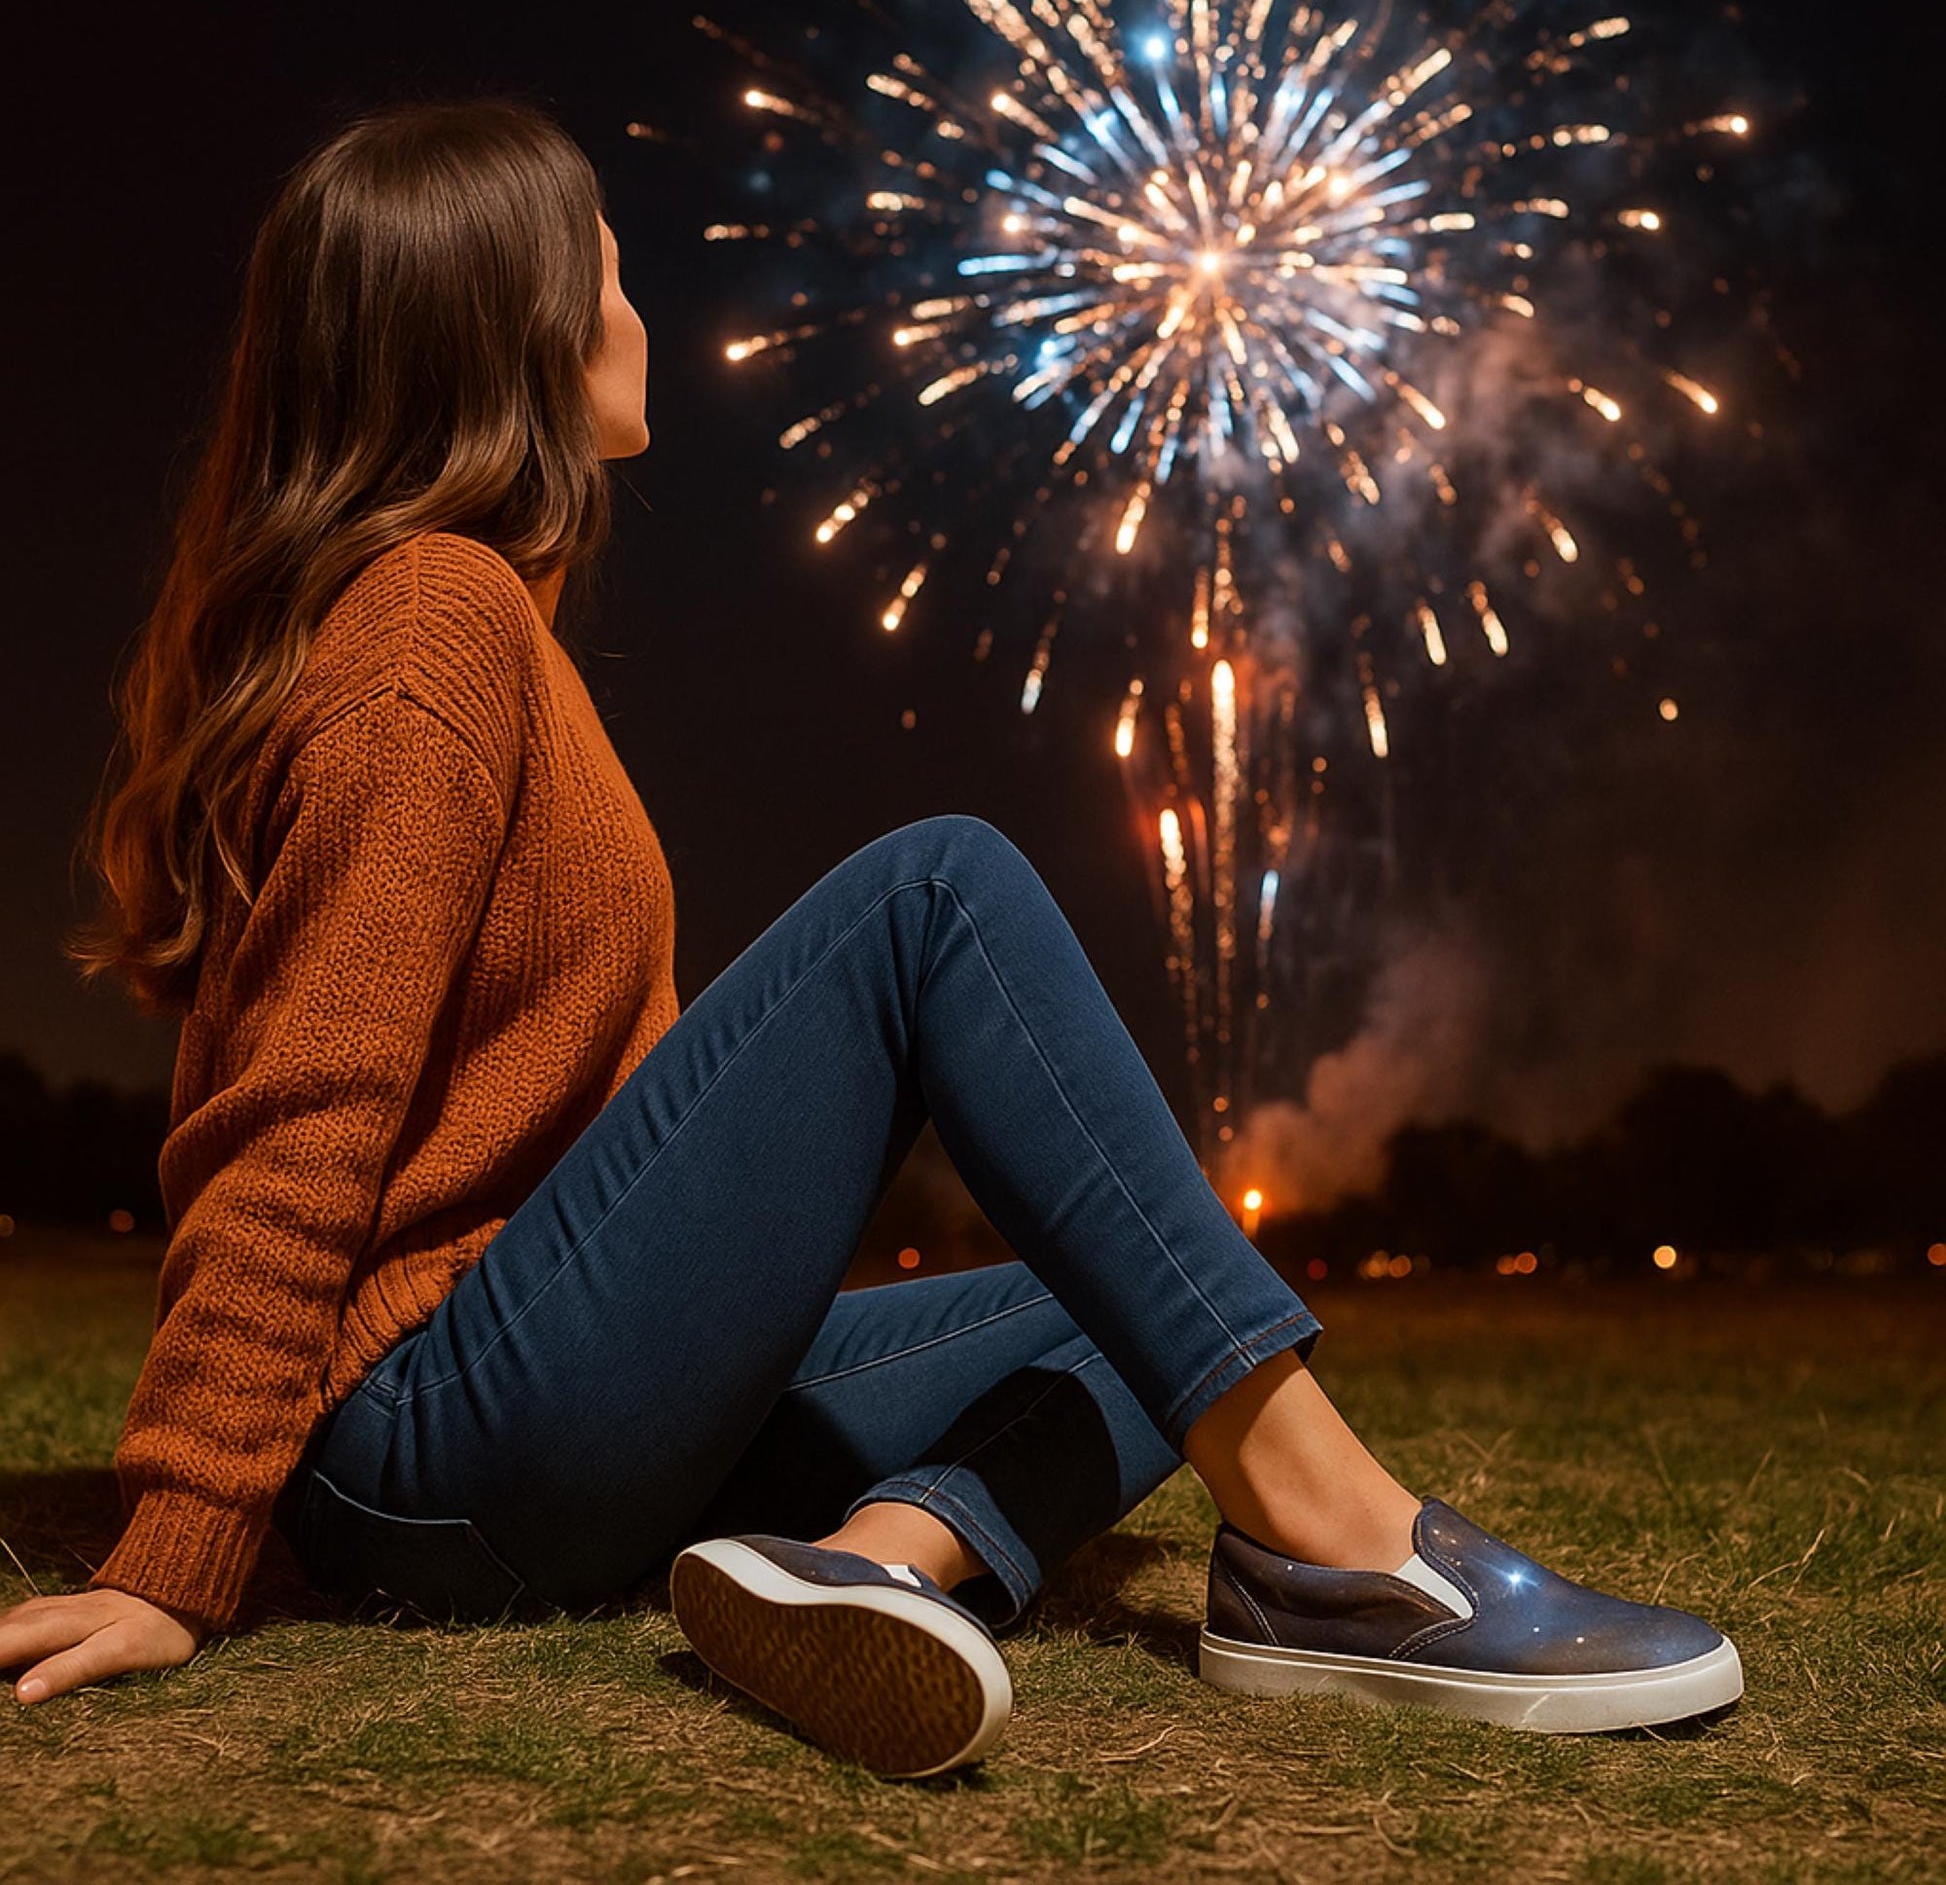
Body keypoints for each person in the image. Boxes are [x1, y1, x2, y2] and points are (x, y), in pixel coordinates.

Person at [2, 99, 1741, 1776]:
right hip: (426, 1441)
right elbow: (301, 1110)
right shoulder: (430, 621)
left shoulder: (480, 624)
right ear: (514, 323)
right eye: (607, 268)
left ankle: (874, 1568)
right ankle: (1348, 1552)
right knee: (936, 892)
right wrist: (180, 1546)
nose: (635, 309)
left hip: (525, 1422)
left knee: (1159, 1278)